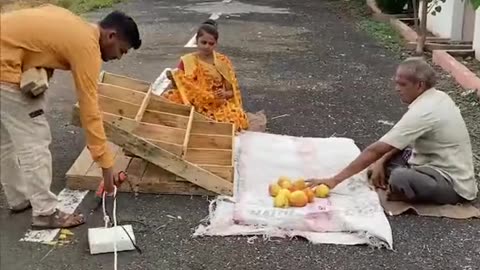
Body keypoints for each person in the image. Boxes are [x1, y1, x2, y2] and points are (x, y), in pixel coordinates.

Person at [0, 5, 142, 228]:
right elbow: (89, 109)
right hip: (4, 69)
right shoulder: (87, 47)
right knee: (34, 140)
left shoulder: (74, 24)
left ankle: (19, 198)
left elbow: (37, 42)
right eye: (121, 50)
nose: (118, 57)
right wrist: (107, 168)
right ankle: (45, 213)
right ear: (111, 35)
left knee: (5, 141)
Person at [307, 57, 478, 205]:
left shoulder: (425, 111)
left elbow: (377, 149)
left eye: (402, 84)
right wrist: (380, 161)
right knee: (381, 160)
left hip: (451, 183)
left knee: (399, 176)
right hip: (427, 163)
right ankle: (397, 181)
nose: (397, 89)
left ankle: (400, 190)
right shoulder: (437, 97)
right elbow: (396, 142)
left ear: (419, 85)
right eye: (396, 83)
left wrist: (334, 181)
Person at [162, 20, 249, 131]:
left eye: (211, 44)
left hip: (215, 105)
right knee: (168, 98)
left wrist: (224, 94)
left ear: (216, 44)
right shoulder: (187, 60)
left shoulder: (223, 61)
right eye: (203, 42)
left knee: (235, 117)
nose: (207, 46)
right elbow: (179, 86)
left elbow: (232, 92)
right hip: (191, 102)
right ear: (197, 41)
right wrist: (173, 78)